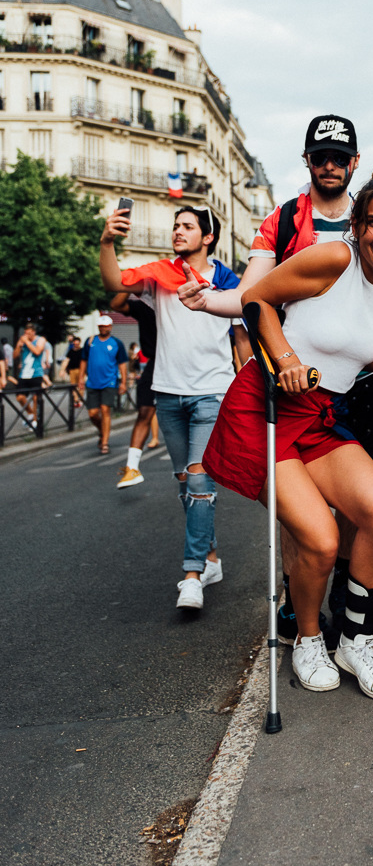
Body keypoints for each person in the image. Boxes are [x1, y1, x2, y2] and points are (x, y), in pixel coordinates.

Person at [174, 114, 373, 647]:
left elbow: (359, 333)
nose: (329, 164)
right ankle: (302, 622)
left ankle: (351, 625)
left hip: (335, 397)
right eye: (319, 156)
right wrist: (222, 310)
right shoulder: (288, 224)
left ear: (353, 163)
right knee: (314, 531)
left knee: (371, 511)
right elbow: (253, 295)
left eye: (339, 157)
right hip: (280, 391)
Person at [99, 204, 240, 611]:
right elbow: (113, 283)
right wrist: (108, 240)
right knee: (185, 484)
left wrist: (253, 383)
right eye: (175, 226)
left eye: (187, 226)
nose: (178, 231)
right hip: (168, 394)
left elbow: (243, 338)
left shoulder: (228, 280)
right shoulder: (161, 274)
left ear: (208, 236)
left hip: (212, 393)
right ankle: (211, 557)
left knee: (199, 482)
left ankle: (192, 574)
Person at [109, 292, 160, 488]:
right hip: (155, 363)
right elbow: (116, 304)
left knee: (188, 413)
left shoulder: (179, 301)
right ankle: (132, 468)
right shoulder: (145, 306)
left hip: (181, 363)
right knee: (144, 413)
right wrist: (129, 284)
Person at [78, 315, 128, 453]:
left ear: (110, 327)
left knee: (105, 410)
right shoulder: (90, 341)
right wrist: (80, 378)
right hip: (93, 381)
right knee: (93, 413)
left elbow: (122, 364)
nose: (104, 328)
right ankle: (102, 430)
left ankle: (105, 442)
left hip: (109, 381)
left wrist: (123, 382)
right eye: (101, 326)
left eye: (106, 326)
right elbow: (83, 360)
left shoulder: (116, 343)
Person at [13, 324, 47, 429]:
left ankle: (36, 421)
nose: (26, 335)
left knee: (36, 398)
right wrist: (19, 345)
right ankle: (31, 413)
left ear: (33, 332)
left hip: (36, 373)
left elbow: (37, 351)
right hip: (24, 374)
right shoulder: (22, 341)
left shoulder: (40, 340)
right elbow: (15, 356)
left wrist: (27, 342)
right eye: (25, 333)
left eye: (28, 333)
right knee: (20, 397)